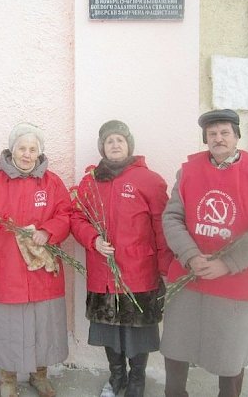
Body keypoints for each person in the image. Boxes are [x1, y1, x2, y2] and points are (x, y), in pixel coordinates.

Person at [160, 109, 248, 397]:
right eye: (212, 134)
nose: (218, 138)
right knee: (177, 344)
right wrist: (191, 255)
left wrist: (226, 263)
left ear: (237, 136)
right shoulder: (188, 171)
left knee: (230, 352)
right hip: (192, 271)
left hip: (236, 276)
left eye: (225, 132)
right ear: (206, 139)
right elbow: (172, 218)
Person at [71, 120, 173, 397]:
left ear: (129, 145)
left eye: (120, 140)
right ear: (102, 147)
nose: (115, 145)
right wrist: (92, 239)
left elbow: (161, 226)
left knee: (138, 330)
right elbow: (77, 217)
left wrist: (166, 268)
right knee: (109, 329)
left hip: (139, 272)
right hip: (103, 272)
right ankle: (117, 376)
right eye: (109, 141)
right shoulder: (90, 182)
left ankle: (137, 379)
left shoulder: (149, 180)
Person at [0, 122, 71, 397]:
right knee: (9, 327)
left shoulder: (52, 182)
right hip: (7, 271)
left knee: (42, 325)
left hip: (43, 269)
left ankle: (40, 375)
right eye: (22, 148)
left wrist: (47, 231)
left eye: (33, 149)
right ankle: (8, 378)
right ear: (12, 150)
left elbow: (66, 215)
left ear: (39, 152)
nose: (27, 154)